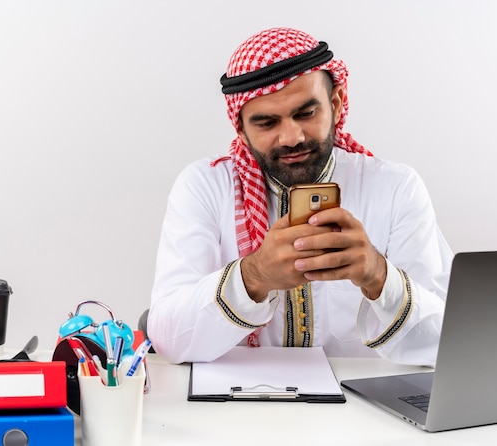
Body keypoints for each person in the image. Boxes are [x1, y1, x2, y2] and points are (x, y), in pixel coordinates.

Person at [147, 27, 453, 367]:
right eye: (266, 123)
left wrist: (379, 277)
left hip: (362, 414)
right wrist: (254, 276)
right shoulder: (204, 186)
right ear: (241, 128)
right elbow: (167, 338)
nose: (291, 137)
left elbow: (447, 342)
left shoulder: (396, 188)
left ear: (335, 103)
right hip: (234, 410)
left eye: (306, 114)